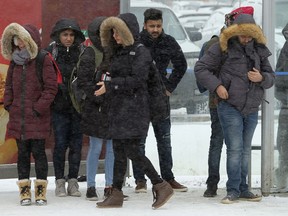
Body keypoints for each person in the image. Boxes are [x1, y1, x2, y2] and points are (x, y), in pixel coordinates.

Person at [95, 13, 173, 209]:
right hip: (120, 109)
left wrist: (110, 84)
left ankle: (160, 184)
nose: (114, 36)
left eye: (118, 32)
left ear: (127, 32)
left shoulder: (141, 52)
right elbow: (110, 73)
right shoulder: (118, 51)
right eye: (112, 32)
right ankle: (117, 193)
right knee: (119, 151)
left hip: (136, 109)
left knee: (131, 150)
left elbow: (137, 81)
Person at [195, 14, 275, 204]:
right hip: (229, 105)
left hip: (252, 106)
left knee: (245, 149)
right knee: (235, 148)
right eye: (243, 35)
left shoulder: (259, 50)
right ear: (236, 33)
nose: (246, 39)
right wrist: (218, 87)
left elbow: (271, 76)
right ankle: (233, 190)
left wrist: (262, 78)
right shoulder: (221, 48)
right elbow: (201, 68)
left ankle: (243, 188)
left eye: (250, 36)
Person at [197, 6, 254, 198]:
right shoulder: (217, 44)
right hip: (221, 102)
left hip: (239, 102)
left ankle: (230, 185)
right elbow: (202, 71)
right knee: (223, 144)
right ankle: (215, 183)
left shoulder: (251, 46)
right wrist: (218, 88)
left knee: (233, 146)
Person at [131, 7, 188, 193]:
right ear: (145, 25)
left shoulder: (168, 41)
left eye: (158, 26)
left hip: (160, 98)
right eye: (152, 26)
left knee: (164, 140)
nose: (155, 29)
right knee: (139, 141)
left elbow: (181, 65)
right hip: (139, 97)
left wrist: (169, 87)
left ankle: (168, 178)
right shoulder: (136, 42)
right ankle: (140, 180)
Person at [1, 23, 58, 205]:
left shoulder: (43, 59)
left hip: (37, 118)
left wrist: (37, 108)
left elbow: (51, 88)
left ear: (30, 40)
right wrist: (9, 104)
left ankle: (40, 193)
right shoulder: (14, 61)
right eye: (16, 40)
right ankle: (24, 193)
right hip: (19, 118)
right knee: (23, 155)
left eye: (22, 39)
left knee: (39, 154)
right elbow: (8, 85)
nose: (19, 43)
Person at [77, 16, 115, 201]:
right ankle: (91, 186)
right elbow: (84, 81)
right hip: (95, 107)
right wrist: (98, 96)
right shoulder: (90, 53)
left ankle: (110, 185)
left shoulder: (116, 51)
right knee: (96, 147)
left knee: (112, 148)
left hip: (112, 106)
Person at [46, 18, 85, 197]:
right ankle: (59, 181)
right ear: (58, 36)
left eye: (71, 35)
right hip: (59, 108)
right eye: (65, 34)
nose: (68, 38)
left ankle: (73, 182)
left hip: (77, 108)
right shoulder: (50, 53)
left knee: (76, 145)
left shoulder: (83, 52)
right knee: (60, 145)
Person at [275, 22, 288, 191]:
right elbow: (279, 80)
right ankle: (283, 179)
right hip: (287, 106)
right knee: (284, 145)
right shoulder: (286, 49)